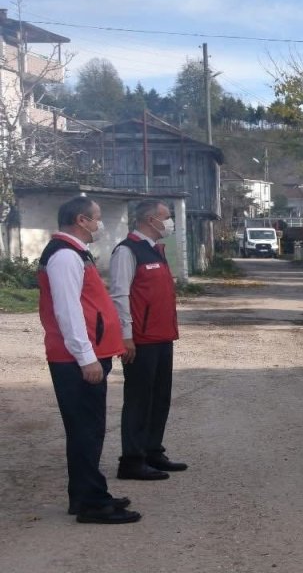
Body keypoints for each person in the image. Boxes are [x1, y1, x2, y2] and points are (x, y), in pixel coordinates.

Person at [38, 196, 139, 523]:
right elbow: (67, 312)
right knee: (85, 431)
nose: (99, 225)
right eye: (96, 219)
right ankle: (92, 503)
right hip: (76, 359)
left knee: (89, 430)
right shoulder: (65, 256)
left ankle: (85, 495)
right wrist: (86, 358)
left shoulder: (73, 253)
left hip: (83, 356)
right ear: (81, 220)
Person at [110, 200, 186, 481]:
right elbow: (119, 295)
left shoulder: (156, 250)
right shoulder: (127, 251)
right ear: (150, 219)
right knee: (139, 399)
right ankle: (131, 460)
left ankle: (152, 451)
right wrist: (126, 336)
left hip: (162, 335)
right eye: (167, 217)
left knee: (160, 397)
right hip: (141, 339)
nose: (170, 223)